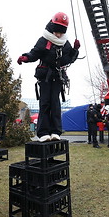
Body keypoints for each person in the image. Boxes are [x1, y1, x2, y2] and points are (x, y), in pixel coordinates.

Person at [17, 12, 80, 142]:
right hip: (45, 76)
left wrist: (74, 50)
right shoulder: (44, 40)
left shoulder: (64, 43)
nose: (58, 35)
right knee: (45, 103)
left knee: (55, 104)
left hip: (57, 77)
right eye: (57, 32)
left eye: (61, 33)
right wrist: (25, 57)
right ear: (52, 28)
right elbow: (34, 53)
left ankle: (56, 132)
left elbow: (68, 60)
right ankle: (43, 133)